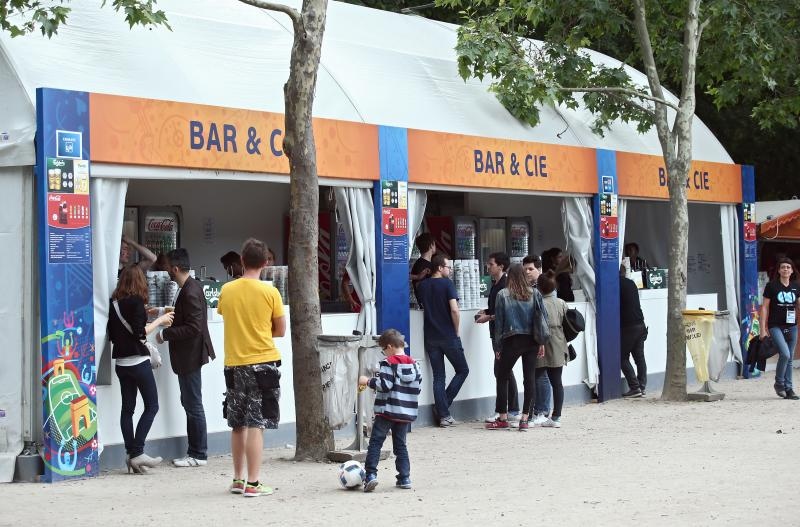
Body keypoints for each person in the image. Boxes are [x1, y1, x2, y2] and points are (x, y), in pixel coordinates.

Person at [217, 238, 286, 496]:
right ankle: (254, 483)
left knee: (237, 423)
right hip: (263, 363)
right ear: (266, 263)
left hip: (234, 364)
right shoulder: (271, 292)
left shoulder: (228, 290)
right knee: (257, 423)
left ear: (242, 261)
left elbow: (225, 314)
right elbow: (280, 330)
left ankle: (237, 479)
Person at [107, 265, 174, 473]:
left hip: (121, 363)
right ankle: (137, 452)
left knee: (127, 409)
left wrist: (148, 314)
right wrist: (161, 320)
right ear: (139, 281)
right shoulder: (135, 302)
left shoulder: (114, 303)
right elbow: (141, 334)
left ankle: (130, 455)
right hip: (138, 363)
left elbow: (115, 332)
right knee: (152, 406)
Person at [157, 248, 216, 467]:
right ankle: (196, 451)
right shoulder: (190, 288)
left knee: (192, 404)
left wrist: (166, 333)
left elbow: (194, 327)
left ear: (175, 268)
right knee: (190, 402)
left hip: (190, 355)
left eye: (167, 268)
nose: (166, 272)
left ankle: (198, 454)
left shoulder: (190, 291)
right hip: (190, 355)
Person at [358, 329, 422, 492]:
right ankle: (404, 477)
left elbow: (384, 385)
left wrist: (368, 381)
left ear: (389, 347)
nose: (383, 354)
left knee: (376, 442)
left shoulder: (388, 363)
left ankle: (370, 475)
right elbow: (417, 388)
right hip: (405, 413)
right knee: (400, 445)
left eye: (383, 350)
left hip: (386, 411)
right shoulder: (415, 364)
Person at [486, 264, 546, 431]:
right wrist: (541, 342)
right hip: (532, 341)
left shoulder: (503, 294)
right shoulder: (535, 293)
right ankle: (525, 418)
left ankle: (503, 417)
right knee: (529, 378)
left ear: (509, 276)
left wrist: (498, 346)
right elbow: (542, 319)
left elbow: (499, 323)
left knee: (502, 376)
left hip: (511, 341)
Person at [415, 253, 469, 427]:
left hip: (430, 336)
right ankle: (442, 408)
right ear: (440, 267)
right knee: (463, 370)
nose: (450, 270)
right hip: (448, 335)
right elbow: (454, 310)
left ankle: (444, 414)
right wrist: (457, 330)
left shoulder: (422, 286)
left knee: (439, 376)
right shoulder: (447, 284)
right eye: (448, 267)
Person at [476, 252, 520, 424]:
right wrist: (486, 312)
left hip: (503, 333)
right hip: (496, 332)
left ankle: (507, 409)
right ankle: (508, 408)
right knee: (502, 371)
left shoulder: (506, 285)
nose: (488, 267)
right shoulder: (495, 285)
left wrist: (489, 317)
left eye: (491, 264)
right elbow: (496, 309)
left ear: (501, 266)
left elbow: (506, 312)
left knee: (502, 370)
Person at [759, 257, 800, 400]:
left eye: (788, 267)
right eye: (783, 267)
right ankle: (779, 383)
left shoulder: (796, 287)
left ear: (792, 270)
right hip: (775, 326)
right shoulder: (772, 286)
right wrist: (762, 329)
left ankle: (789, 389)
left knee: (789, 358)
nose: (786, 269)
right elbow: (764, 307)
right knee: (785, 354)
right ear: (779, 270)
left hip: (792, 326)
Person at [535, 271, 569, 427]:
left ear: (539, 287)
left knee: (535, 377)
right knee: (557, 382)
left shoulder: (537, 303)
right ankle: (556, 417)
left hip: (540, 342)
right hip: (558, 342)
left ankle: (536, 412)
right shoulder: (561, 303)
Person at [523, 254, 552, 423]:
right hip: (534, 335)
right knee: (535, 373)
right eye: (525, 269)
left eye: (530, 269)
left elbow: (544, 313)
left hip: (543, 335)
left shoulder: (543, 286)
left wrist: (542, 339)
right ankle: (537, 409)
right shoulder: (531, 286)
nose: (527, 272)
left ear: (539, 269)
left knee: (541, 373)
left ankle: (542, 410)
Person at [619, 264, 648, 398]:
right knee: (639, 357)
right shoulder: (631, 283)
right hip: (640, 323)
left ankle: (634, 387)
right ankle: (642, 386)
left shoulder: (616, 285)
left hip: (628, 326)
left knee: (621, 357)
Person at [410, 233, 436, 302]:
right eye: (434, 244)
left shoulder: (423, 263)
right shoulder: (422, 265)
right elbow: (420, 287)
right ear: (431, 245)